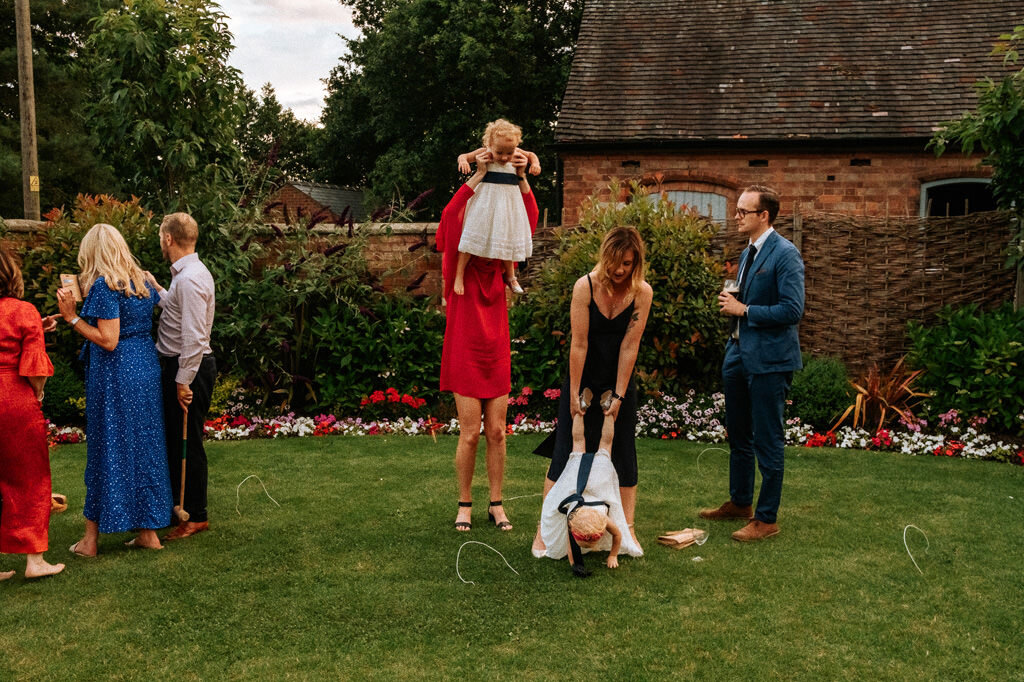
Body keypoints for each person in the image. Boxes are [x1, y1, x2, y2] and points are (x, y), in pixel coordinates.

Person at [532, 226, 653, 556]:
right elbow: (579, 343)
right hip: (583, 376)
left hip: (619, 380)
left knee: (623, 453)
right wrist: (574, 394)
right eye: (615, 262)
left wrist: (619, 395)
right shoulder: (584, 287)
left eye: (627, 264)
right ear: (604, 257)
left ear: (635, 262)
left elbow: (630, 347)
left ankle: (626, 528)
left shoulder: (642, 293)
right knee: (565, 450)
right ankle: (544, 528)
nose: (619, 270)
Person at [437, 143, 539, 532]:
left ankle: (496, 503)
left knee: (497, 431)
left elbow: (526, 219)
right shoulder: (455, 269)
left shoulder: (500, 268)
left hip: (494, 341)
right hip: (464, 340)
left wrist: (523, 175)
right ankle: (465, 503)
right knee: (469, 433)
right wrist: (477, 175)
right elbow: (449, 216)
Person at [57, 223, 171, 555]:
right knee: (145, 446)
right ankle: (149, 534)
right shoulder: (142, 281)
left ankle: (90, 541)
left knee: (107, 447)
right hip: (145, 370)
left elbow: (108, 340)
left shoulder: (106, 287)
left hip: (116, 374)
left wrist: (71, 319)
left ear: (92, 253)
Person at [700, 185, 804, 541]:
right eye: (738, 210)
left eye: (744, 211)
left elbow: (793, 310)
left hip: (770, 361)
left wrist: (743, 309)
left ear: (764, 216)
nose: (737, 216)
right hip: (739, 354)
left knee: (768, 439)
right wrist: (734, 303)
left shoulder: (785, 254)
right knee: (739, 433)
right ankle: (741, 501)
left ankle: (766, 518)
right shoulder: (748, 253)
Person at [145, 212, 216, 541]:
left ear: (168, 239)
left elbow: (195, 338)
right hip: (185, 365)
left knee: (189, 442)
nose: (161, 242)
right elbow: (175, 311)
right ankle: (181, 507)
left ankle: (196, 516)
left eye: (161, 237)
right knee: (177, 439)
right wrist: (157, 288)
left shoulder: (189, 279)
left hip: (189, 366)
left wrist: (183, 380)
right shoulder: (186, 275)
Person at [0, 247, 65, 580]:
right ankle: (34, 561)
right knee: (30, 477)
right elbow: (34, 367)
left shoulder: (25, 316)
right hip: (13, 400)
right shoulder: (23, 311)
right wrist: (37, 391)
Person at [535, 390, 643, 575]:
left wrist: (613, 555)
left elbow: (615, 537)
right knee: (582, 444)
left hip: (595, 481)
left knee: (602, 444)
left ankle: (590, 409)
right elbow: (614, 536)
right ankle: (599, 409)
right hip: (585, 481)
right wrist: (575, 563)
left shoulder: (579, 517)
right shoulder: (580, 517)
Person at [452, 119, 536, 296]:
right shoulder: (485, 153)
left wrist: (535, 164)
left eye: (509, 152)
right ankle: (459, 275)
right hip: (485, 203)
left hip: (508, 205)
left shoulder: (517, 154)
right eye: (500, 152)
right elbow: (464, 156)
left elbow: (532, 155)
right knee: (470, 236)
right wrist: (464, 162)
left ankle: (511, 277)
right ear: (489, 144)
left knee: (507, 238)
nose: (505, 157)